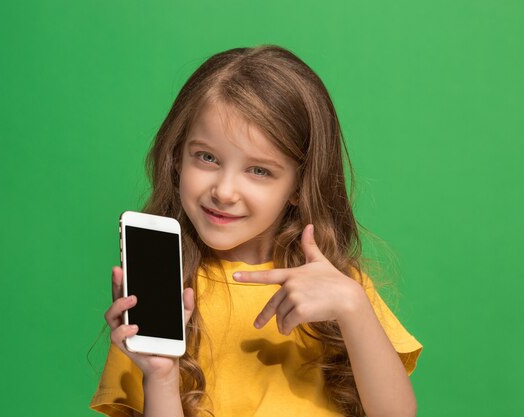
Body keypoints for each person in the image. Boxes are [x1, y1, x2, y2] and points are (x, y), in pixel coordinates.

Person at [90, 45, 423, 417]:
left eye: (259, 170)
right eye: (207, 157)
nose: (224, 191)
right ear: (176, 157)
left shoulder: (340, 289)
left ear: (299, 186)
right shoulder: (164, 296)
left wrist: (353, 306)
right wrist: (160, 377)